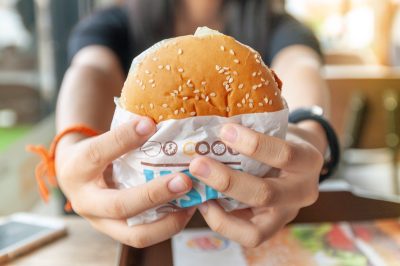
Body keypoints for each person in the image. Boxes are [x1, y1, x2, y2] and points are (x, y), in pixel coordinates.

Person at [56, 0, 328, 248]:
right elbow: (92, 68)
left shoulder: (280, 27)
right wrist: (68, 148)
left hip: (271, 235)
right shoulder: (113, 24)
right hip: (124, 245)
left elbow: (300, 63)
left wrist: (312, 132)